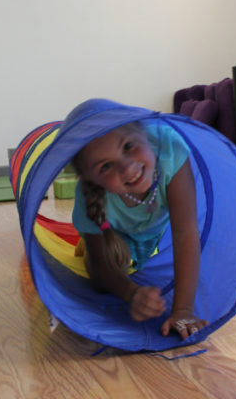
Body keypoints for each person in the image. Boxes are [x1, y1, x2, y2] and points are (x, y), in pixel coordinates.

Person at [70, 119, 208, 339]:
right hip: (113, 232)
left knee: (138, 263)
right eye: (106, 166)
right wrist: (129, 292)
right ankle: (84, 242)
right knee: (108, 273)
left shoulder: (169, 148)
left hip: (152, 233)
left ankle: (131, 251)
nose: (127, 168)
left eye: (127, 146)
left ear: (144, 134)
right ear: (92, 179)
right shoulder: (90, 196)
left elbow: (185, 232)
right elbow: (99, 268)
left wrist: (183, 311)